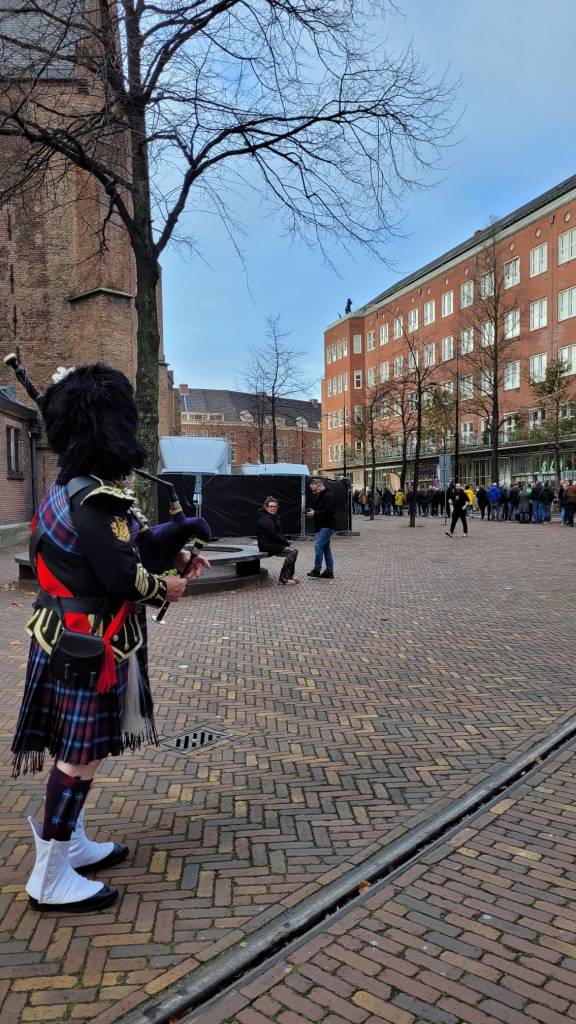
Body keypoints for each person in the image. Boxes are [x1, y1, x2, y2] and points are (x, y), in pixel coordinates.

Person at [9, 362, 210, 914]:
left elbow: (120, 551)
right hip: (90, 645)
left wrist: (176, 549)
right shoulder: (96, 500)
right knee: (80, 757)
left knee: (79, 752)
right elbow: (124, 576)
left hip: (65, 637)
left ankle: (70, 842)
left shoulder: (63, 492)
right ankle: (50, 875)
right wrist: (167, 587)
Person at [256, 496, 299, 585]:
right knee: (292, 551)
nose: (273, 508)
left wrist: (285, 541)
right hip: (267, 545)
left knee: (294, 551)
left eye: (275, 507)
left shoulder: (273, 517)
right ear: (266, 507)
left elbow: (278, 533)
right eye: (271, 506)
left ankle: (289, 577)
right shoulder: (265, 518)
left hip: (273, 544)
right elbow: (273, 534)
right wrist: (285, 542)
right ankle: (283, 579)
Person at [306, 478, 336, 578]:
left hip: (326, 526)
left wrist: (315, 513)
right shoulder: (322, 495)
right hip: (322, 526)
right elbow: (322, 510)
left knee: (318, 546)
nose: (314, 492)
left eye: (314, 490)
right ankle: (329, 572)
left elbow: (328, 512)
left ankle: (317, 570)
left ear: (319, 485)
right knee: (326, 549)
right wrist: (313, 512)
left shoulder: (328, 495)